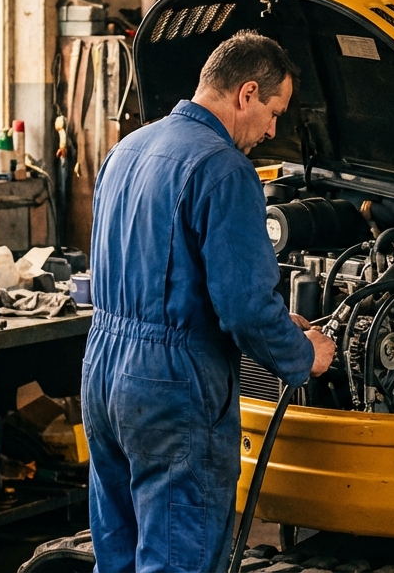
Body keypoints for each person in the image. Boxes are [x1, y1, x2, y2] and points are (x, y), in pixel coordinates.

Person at [83, 29, 336, 572]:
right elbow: (243, 307)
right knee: (179, 556)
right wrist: (302, 354)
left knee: (119, 554)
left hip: (103, 371)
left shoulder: (126, 150)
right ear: (246, 93)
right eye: (273, 111)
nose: (273, 130)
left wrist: (275, 325)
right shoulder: (223, 169)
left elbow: (151, 273)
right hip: (171, 384)